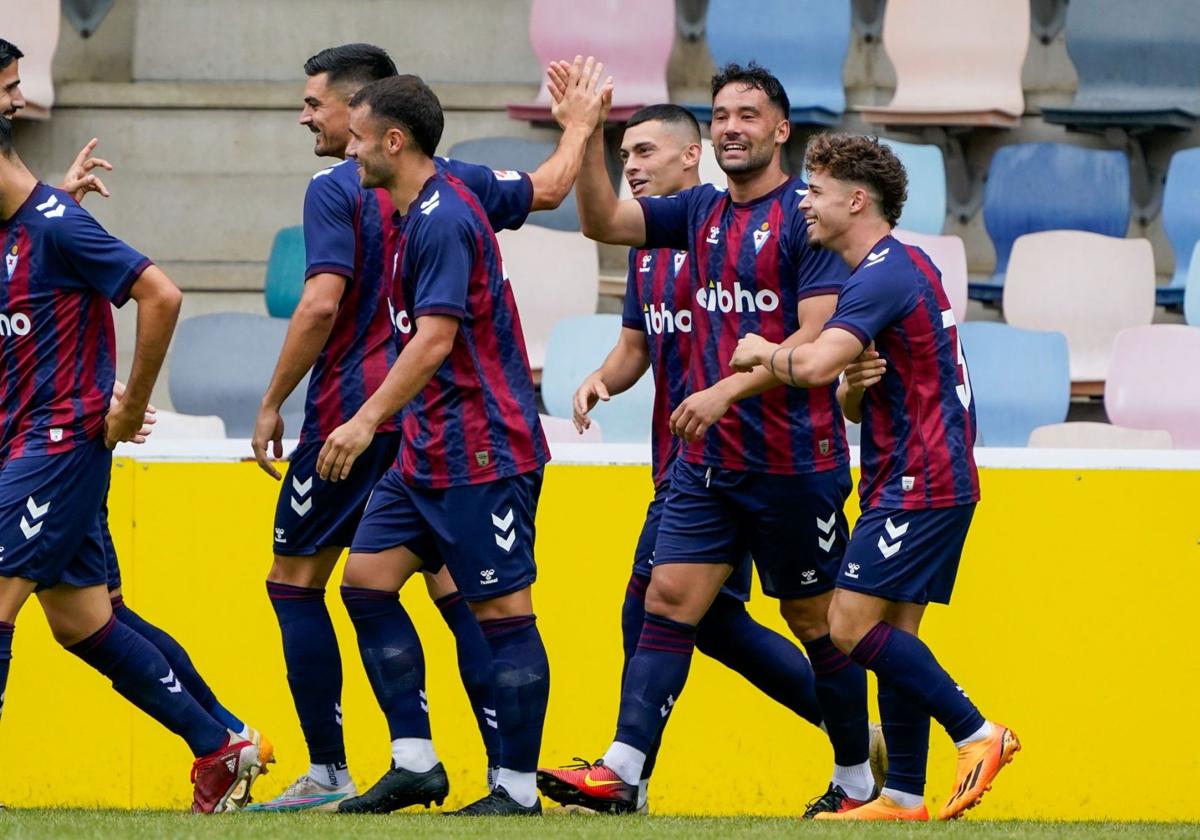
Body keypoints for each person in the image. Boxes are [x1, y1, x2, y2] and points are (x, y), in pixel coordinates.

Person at [247, 44, 607, 812]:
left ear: (379, 126)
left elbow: (400, 327)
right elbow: (546, 188)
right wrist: (577, 127)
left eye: (321, 107)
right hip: (421, 440)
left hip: (466, 435)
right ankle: (415, 758)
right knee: (372, 584)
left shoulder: (405, 205)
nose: (321, 127)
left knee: (488, 607)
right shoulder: (430, 199)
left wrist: (306, 406)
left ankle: (506, 786)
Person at [536, 62, 875, 818]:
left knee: (816, 622)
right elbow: (600, 222)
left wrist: (724, 389)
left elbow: (817, 339)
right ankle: (622, 773)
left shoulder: (806, 219)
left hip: (794, 461)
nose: (731, 127)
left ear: (781, 130)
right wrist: (583, 134)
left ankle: (857, 779)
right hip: (708, 463)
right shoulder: (697, 214)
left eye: (748, 115)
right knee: (667, 599)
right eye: (721, 114)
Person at [729, 132, 1019, 821]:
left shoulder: (886, 270)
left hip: (922, 478)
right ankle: (903, 795)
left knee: (849, 625)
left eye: (817, 190)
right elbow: (856, 395)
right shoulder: (894, 268)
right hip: (914, 473)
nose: (804, 201)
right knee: (897, 635)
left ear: (856, 200)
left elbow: (817, 365)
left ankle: (979, 733)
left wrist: (763, 352)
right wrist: (855, 386)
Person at [0, 114, 259, 813]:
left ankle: (221, 746)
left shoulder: (55, 224)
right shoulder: (31, 226)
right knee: (83, 621)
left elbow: (162, 293)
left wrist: (128, 404)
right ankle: (223, 743)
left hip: (54, 449)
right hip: (26, 442)